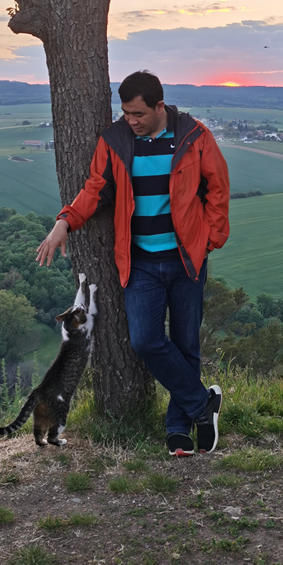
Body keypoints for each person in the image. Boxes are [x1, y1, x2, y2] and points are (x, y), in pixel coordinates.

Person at [36, 70, 230, 456]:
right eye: (125, 113)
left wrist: (211, 239)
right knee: (145, 340)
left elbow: (217, 187)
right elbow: (95, 189)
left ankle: (178, 429)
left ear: (159, 106)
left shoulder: (194, 136)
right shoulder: (115, 141)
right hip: (140, 263)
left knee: (186, 344)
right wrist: (64, 222)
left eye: (137, 114)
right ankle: (201, 404)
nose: (130, 120)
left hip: (186, 260)